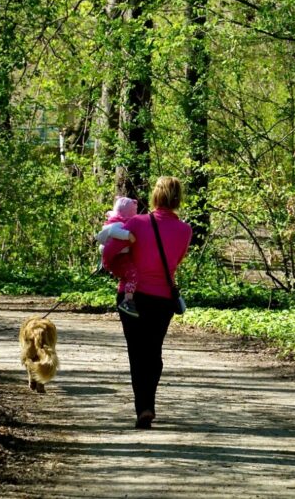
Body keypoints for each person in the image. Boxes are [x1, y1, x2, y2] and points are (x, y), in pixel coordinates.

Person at [102, 177, 192, 429]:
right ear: (178, 199)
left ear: (155, 196)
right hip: (163, 299)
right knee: (154, 351)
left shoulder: (136, 223)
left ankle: (144, 407)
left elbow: (108, 252)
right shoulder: (185, 230)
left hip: (133, 297)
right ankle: (148, 404)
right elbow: (176, 262)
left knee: (137, 352)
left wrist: (118, 269)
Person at [97, 196, 139, 317]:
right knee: (133, 275)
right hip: (119, 258)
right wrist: (128, 235)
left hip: (118, 256)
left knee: (127, 276)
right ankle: (128, 301)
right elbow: (113, 232)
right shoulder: (118, 224)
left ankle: (127, 298)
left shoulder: (114, 222)